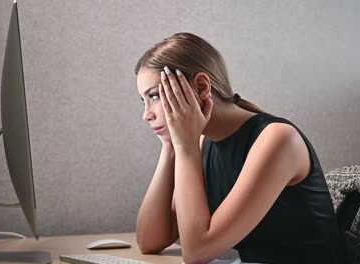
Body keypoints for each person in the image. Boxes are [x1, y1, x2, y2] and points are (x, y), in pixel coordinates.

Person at [134, 32, 345, 264]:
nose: (146, 115)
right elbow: (149, 240)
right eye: (143, 101)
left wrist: (184, 147)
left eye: (153, 96)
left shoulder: (276, 139)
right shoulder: (203, 143)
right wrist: (170, 147)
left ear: (202, 87)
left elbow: (197, 252)